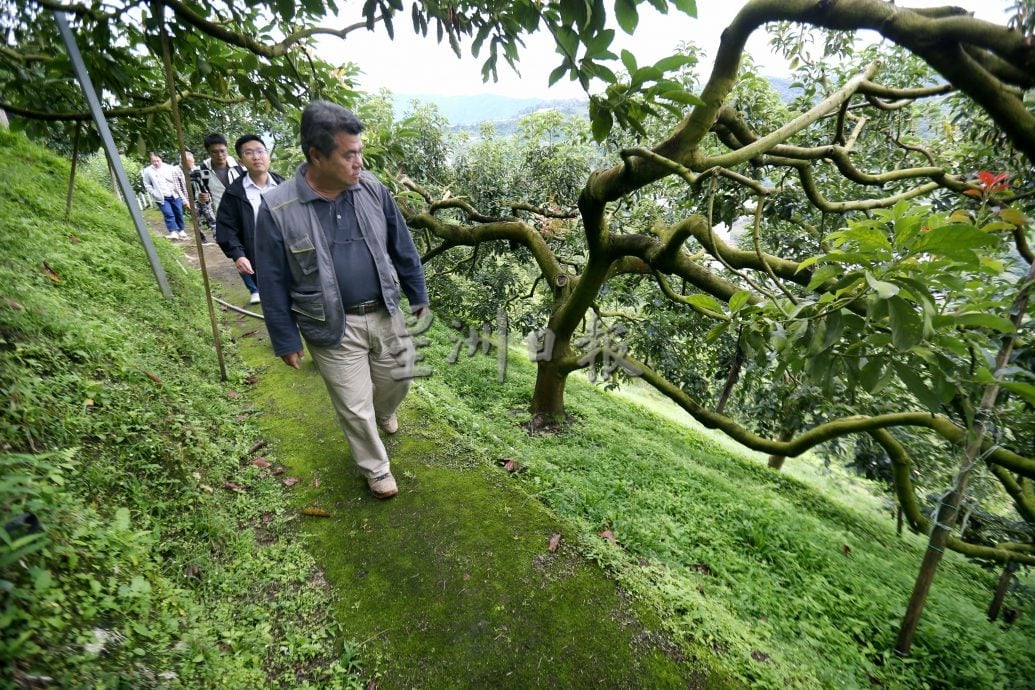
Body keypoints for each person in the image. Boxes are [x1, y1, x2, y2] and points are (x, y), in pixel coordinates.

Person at [255, 101, 429, 500]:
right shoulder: (278, 209)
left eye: (360, 152)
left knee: (398, 379)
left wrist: (417, 292)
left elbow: (401, 244)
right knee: (354, 404)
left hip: (384, 309)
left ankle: (384, 412)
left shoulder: (371, 189)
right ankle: (376, 469)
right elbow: (273, 278)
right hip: (331, 325)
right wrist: (285, 338)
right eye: (349, 154)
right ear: (316, 155)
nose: (359, 162)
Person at [215, 134, 284, 304]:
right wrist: (238, 255)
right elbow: (226, 228)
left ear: (268, 155)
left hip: (288, 255)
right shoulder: (234, 193)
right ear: (241, 160)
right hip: (259, 258)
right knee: (275, 306)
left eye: (260, 151)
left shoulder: (284, 186)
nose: (256, 157)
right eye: (249, 153)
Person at [141, 152, 188, 240]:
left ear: (161, 159)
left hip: (174, 195)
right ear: (150, 161)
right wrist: (154, 193)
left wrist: (177, 187)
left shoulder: (169, 168)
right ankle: (173, 231)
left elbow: (178, 179)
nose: (156, 163)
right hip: (161, 197)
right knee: (168, 213)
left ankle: (181, 230)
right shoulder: (148, 171)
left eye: (157, 160)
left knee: (178, 212)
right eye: (153, 161)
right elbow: (147, 184)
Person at [198, 133, 242, 214]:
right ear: (208, 152)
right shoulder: (204, 170)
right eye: (214, 152)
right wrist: (202, 198)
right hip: (222, 215)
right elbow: (202, 194)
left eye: (222, 151)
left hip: (243, 211)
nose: (220, 155)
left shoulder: (239, 166)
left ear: (227, 148)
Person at [182, 150, 214, 245]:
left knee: (212, 219)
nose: (188, 163)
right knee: (196, 221)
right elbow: (181, 188)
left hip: (204, 199)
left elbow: (209, 185)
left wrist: (209, 197)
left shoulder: (201, 170)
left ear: (193, 160)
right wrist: (186, 201)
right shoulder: (182, 173)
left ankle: (218, 237)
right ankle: (202, 238)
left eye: (189, 161)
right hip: (193, 201)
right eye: (186, 161)